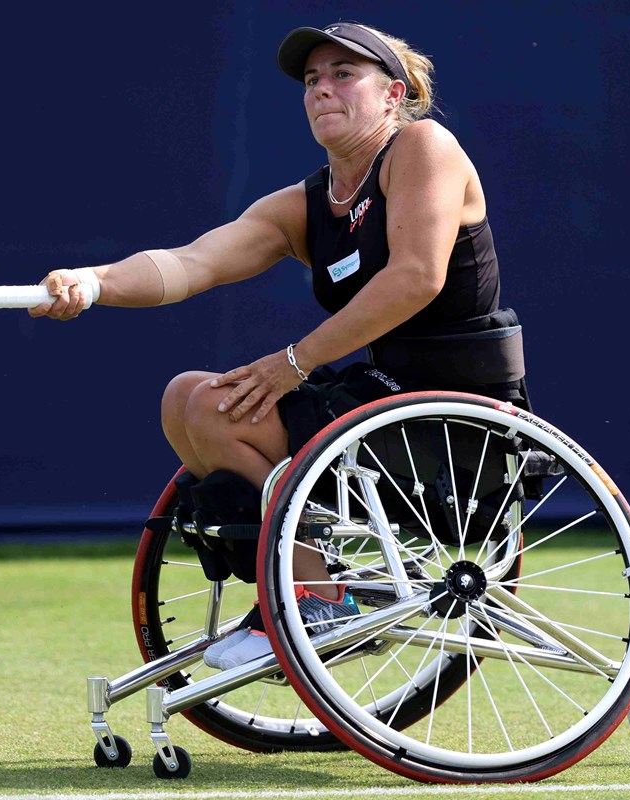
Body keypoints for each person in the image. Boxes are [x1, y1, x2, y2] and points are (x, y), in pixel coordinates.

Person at [29, 21, 531, 668]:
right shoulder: (304, 205)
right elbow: (192, 262)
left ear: (392, 95)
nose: (322, 89)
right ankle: (302, 590)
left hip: (456, 411)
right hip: (381, 401)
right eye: (312, 80)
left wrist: (295, 362)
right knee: (187, 398)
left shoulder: (423, 146)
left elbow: (416, 278)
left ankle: (316, 599)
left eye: (343, 75)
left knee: (213, 406)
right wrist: (92, 283)